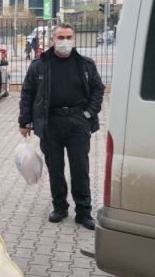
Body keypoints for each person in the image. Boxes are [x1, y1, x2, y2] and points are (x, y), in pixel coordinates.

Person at [18, 23, 105, 230]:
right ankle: (60, 207)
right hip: (50, 123)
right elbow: (27, 93)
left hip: (77, 122)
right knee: (55, 168)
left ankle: (83, 212)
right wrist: (25, 121)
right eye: (60, 37)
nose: (64, 41)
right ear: (52, 39)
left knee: (80, 169)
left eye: (68, 37)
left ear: (74, 39)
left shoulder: (85, 65)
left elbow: (97, 91)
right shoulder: (39, 65)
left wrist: (88, 114)